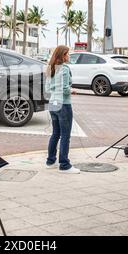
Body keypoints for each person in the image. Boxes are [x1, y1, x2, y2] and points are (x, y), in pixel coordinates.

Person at [45, 45, 80, 174]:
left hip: (53, 103)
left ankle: (50, 161)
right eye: (67, 54)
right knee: (65, 135)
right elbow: (65, 89)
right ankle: (64, 165)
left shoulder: (50, 68)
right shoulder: (64, 69)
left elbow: (47, 89)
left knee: (55, 133)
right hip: (63, 104)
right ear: (62, 55)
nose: (69, 56)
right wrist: (72, 91)